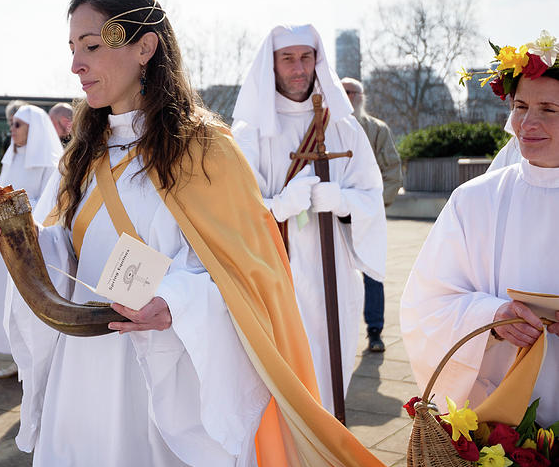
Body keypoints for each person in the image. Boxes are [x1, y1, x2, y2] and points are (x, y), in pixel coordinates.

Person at [0, 0, 420, 467]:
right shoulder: (81, 152)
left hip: (169, 375)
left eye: (92, 46)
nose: (76, 64)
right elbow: (73, 249)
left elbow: (249, 275)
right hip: (85, 370)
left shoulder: (207, 149)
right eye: (71, 48)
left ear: (145, 47)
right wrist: (22, 241)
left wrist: (176, 302)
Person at [402, 32, 559, 425]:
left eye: (549, 109)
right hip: (499, 418)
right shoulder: (474, 201)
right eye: (521, 105)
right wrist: (493, 317)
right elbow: (425, 302)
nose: (529, 122)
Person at [231, 25, 387, 414]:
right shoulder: (251, 132)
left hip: (330, 266)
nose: (299, 68)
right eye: (288, 58)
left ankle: (329, 446)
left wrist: (343, 200)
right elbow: (232, 211)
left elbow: (371, 194)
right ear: (272, 64)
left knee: (329, 361)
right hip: (274, 267)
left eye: (306, 57)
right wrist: (279, 206)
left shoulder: (342, 126)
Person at [0, 104, 62, 379]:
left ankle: (38, 362)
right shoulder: (11, 158)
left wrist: (15, 206)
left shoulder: (50, 163)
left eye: (18, 125)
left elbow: (52, 205)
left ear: (33, 128)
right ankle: (16, 359)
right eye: (11, 125)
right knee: (7, 300)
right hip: (5, 240)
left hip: (34, 241)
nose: (11, 130)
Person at [342, 77, 402, 352]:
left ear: (361, 96)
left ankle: (375, 331)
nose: (347, 96)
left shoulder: (377, 130)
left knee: (372, 272)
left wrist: (375, 206)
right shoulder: (322, 128)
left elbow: (392, 171)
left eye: (352, 92)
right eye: (342, 91)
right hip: (333, 215)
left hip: (368, 216)